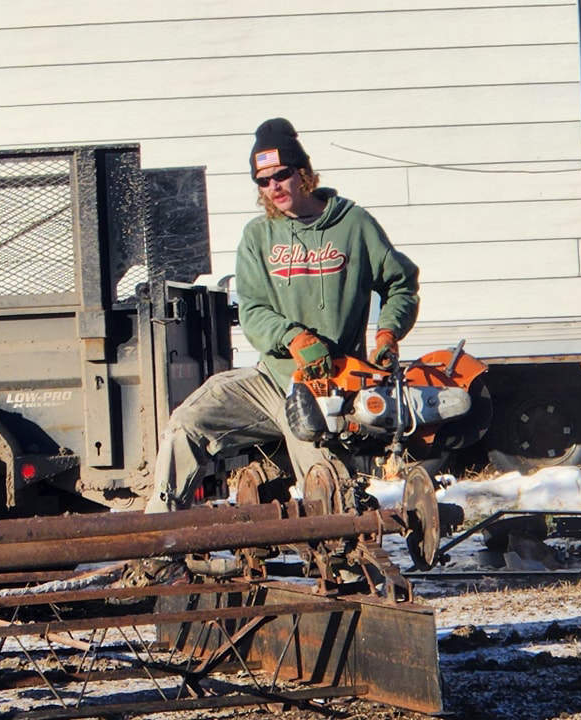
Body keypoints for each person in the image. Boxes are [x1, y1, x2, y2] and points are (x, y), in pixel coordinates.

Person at [144, 117, 420, 514]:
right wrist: (293, 337)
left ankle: (342, 562)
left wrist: (388, 333)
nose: (273, 187)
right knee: (187, 422)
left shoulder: (353, 225)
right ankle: (160, 542)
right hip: (270, 379)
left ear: (303, 173)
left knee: (325, 486)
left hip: (330, 387)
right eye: (262, 180)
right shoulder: (258, 237)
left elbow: (401, 283)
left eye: (282, 175)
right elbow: (253, 309)